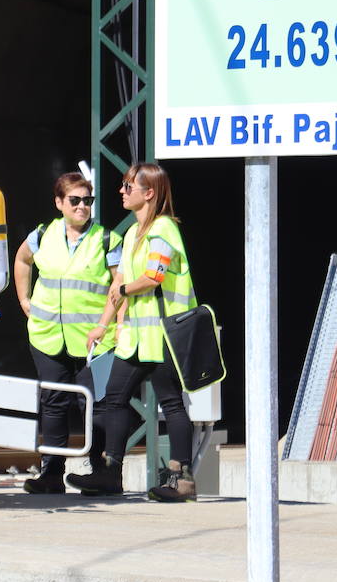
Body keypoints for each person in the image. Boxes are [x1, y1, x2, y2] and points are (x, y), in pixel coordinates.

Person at [67, 162, 198, 503]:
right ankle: (111, 472)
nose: (121, 191)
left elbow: (153, 277)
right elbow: (119, 285)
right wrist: (103, 322)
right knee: (114, 397)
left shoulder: (164, 229)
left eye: (128, 186)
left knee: (171, 403)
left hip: (165, 334)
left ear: (149, 193)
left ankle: (181, 479)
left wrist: (124, 293)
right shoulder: (131, 235)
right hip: (137, 338)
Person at [13, 171, 122, 494]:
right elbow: (22, 260)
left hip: (93, 339)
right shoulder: (43, 234)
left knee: (95, 406)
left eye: (87, 201)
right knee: (54, 402)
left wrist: (106, 323)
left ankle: (99, 471)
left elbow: (120, 285)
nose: (82, 207)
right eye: (75, 201)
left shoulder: (106, 239)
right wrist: (24, 298)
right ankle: (51, 473)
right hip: (48, 335)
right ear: (59, 202)